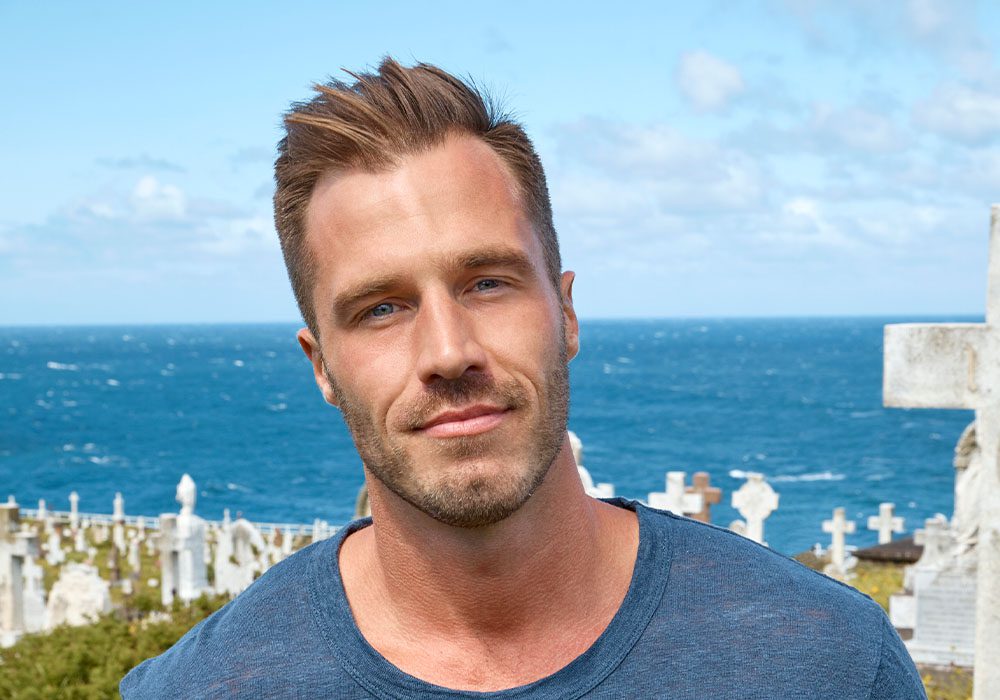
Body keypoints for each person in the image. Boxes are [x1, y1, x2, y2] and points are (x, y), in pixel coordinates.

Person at [121, 58, 926, 699]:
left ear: (566, 313)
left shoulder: (828, 665)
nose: (448, 350)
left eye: (488, 282)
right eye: (380, 308)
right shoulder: (199, 690)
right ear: (321, 366)